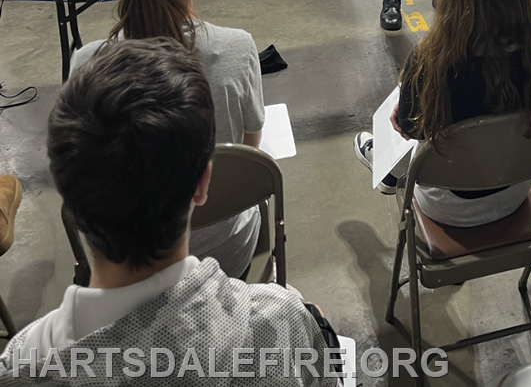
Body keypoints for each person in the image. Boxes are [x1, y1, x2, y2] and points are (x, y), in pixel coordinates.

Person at [0, 40, 333, 384]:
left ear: (67, 192)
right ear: (203, 182)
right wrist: (316, 331)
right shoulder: (280, 322)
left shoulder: (20, 363)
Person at [68, 0, 264, 279]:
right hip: (223, 252)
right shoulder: (236, 49)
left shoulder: (85, 65)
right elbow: (247, 152)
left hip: (123, 263)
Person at [353, 0, 531, 226]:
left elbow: (410, 128)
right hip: (514, 190)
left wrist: (407, 108)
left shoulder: (431, 58)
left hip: (448, 206)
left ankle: (385, 165)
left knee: (407, 123)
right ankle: (389, 167)